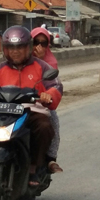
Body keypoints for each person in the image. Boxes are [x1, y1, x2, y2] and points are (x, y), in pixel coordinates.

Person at [0, 26, 62, 187]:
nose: (15, 51)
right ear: (5, 50)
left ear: (28, 47)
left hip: (31, 111)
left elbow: (56, 86)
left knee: (44, 126)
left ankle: (35, 167)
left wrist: (49, 94)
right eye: (11, 48)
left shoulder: (42, 67)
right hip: (1, 111)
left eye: (20, 47)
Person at [31, 27, 63, 174]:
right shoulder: (20, 59)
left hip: (40, 103)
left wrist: (41, 60)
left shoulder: (49, 63)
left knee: (52, 123)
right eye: (35, 42)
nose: (39, 46)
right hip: (18, 103)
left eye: (43, 43)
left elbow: (54, 85)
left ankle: (50, 158)